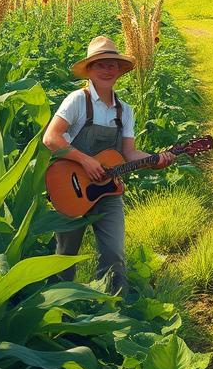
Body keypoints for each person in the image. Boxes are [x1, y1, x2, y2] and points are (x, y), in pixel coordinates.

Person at [43, 35, 175, 294]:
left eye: (112, 64)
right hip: (72, 189)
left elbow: (128, 153)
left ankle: (113, 313)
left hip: (107, 191)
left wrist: (155, 160)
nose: (107, 69)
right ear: (89, 70)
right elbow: (51, 138)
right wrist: (85, 160)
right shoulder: (77, 101)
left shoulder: (124, 110)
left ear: (120, 70)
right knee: (64, 257)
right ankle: (62, 314)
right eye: (100, 64)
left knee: (114, 254)